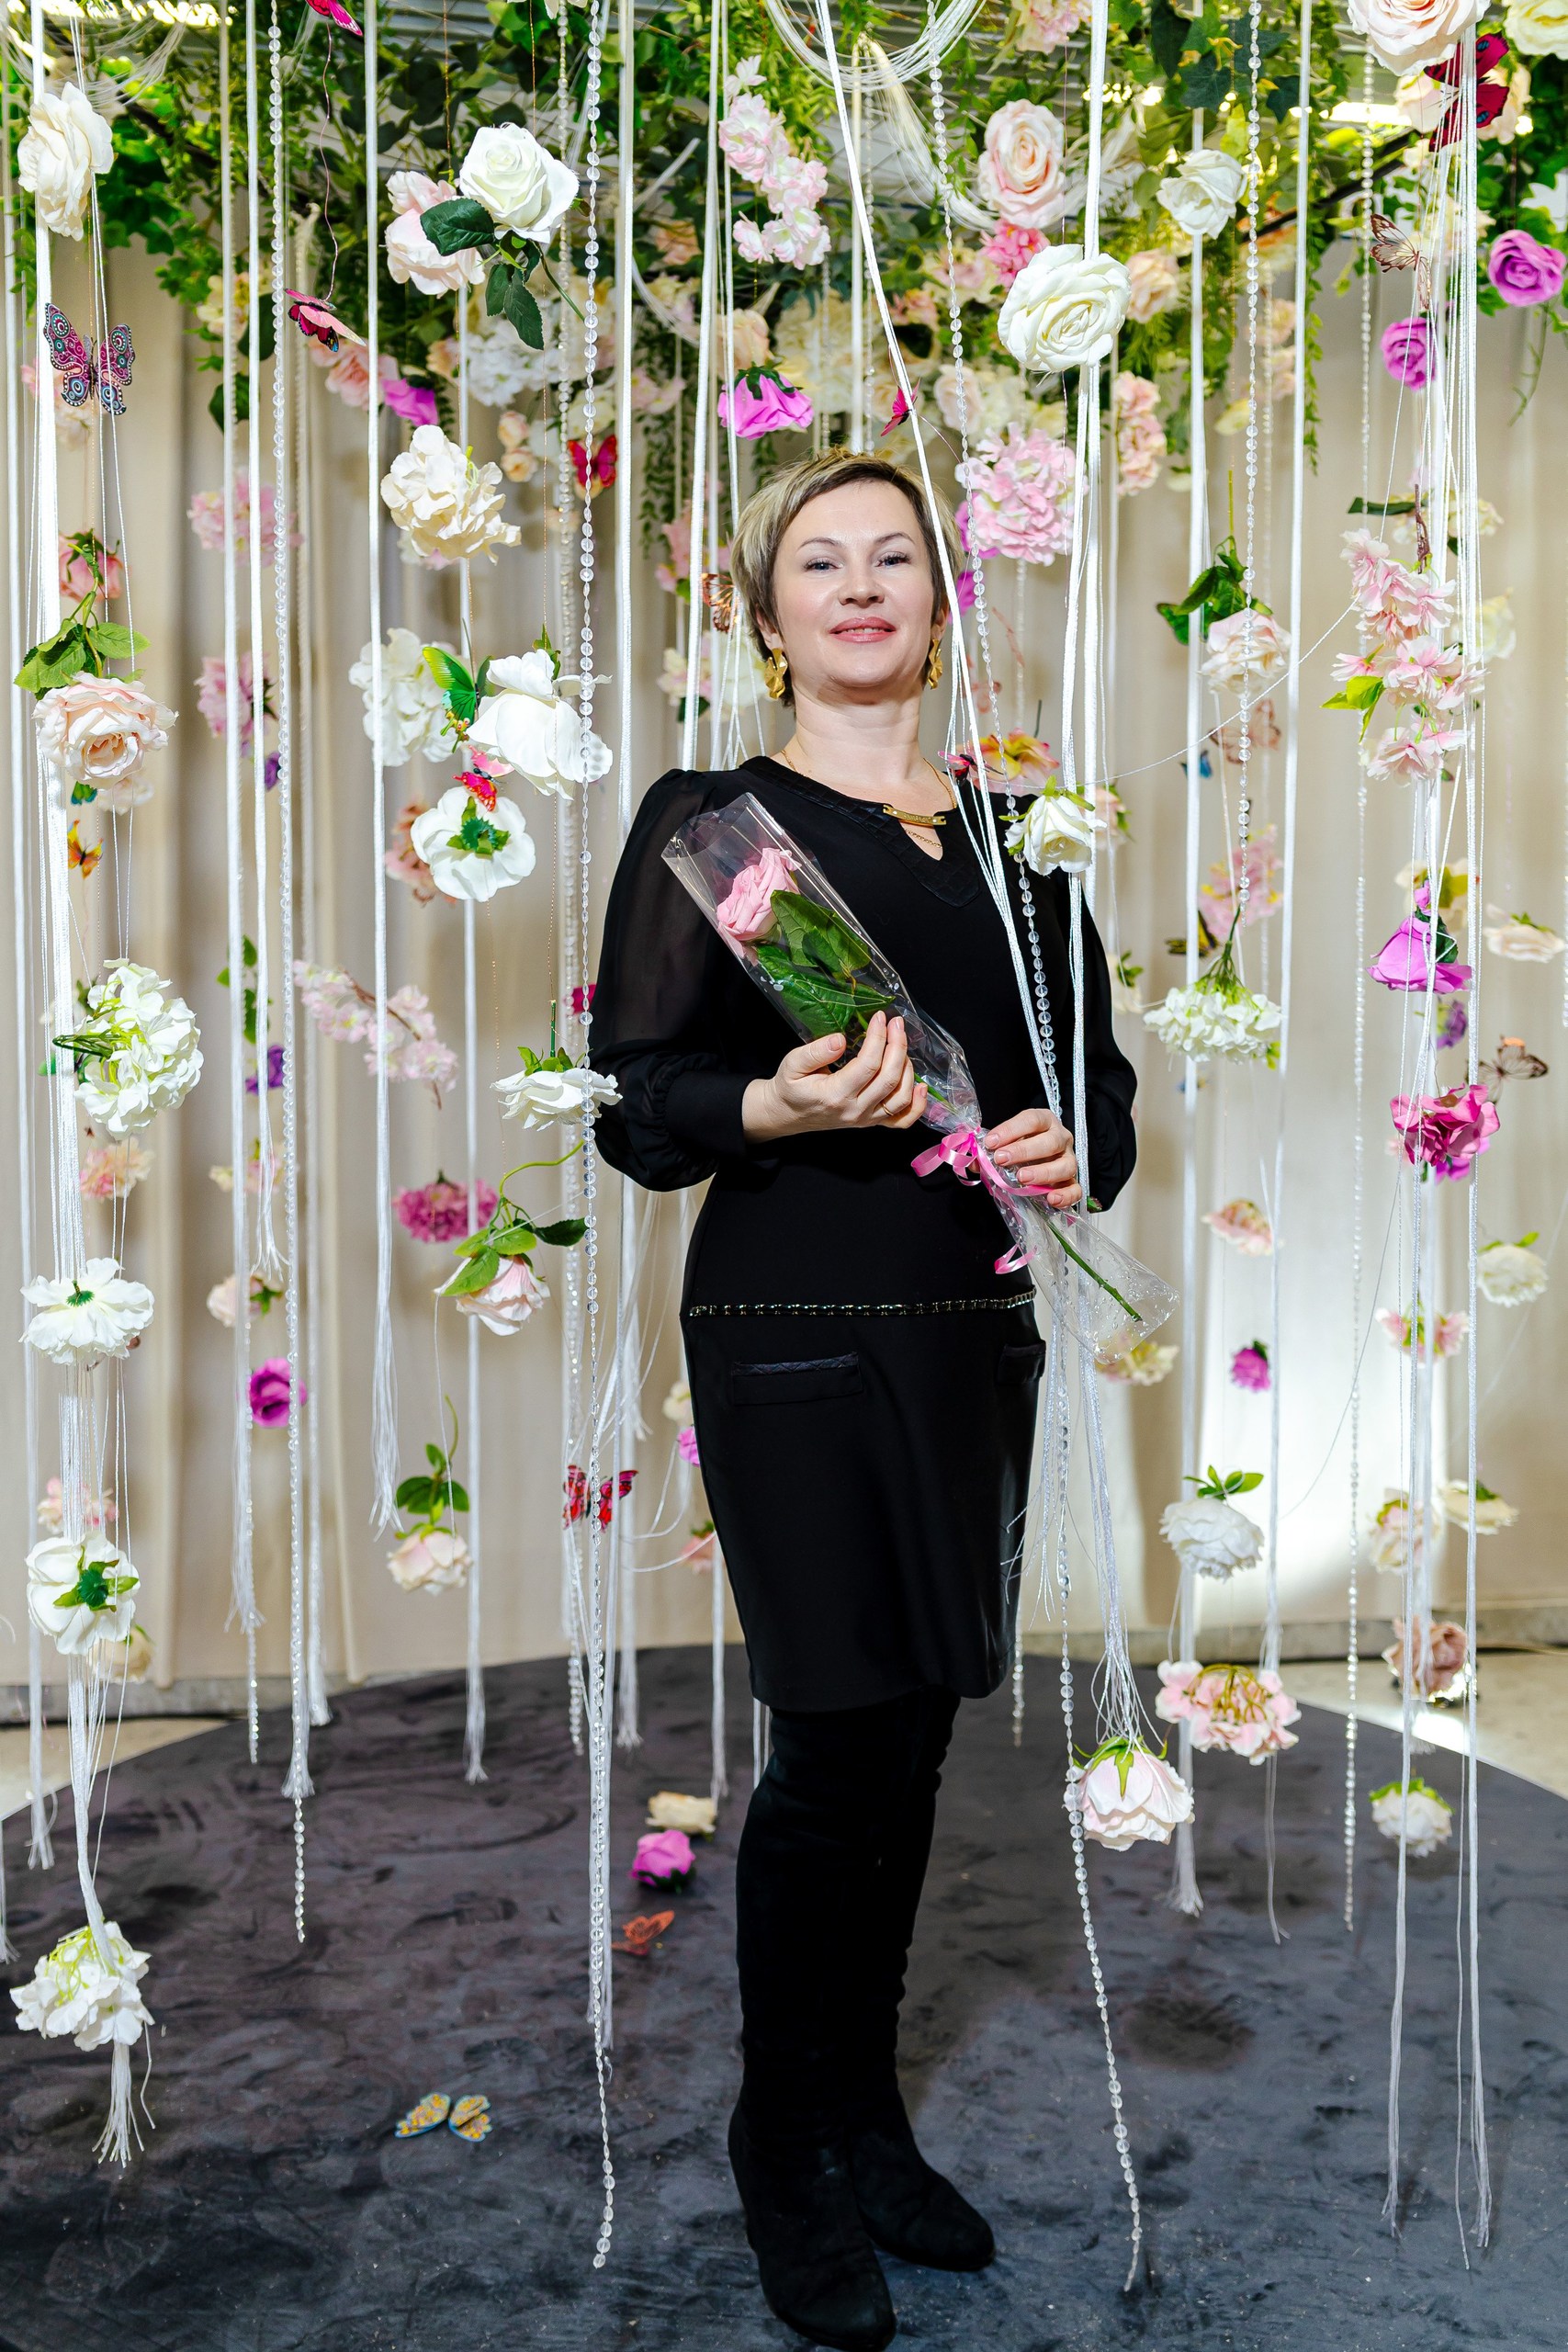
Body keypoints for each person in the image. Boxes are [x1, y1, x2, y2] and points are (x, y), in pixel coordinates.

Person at [592, 450, 1137, 2352]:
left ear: (938, 598)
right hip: (791, 1324)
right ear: (766, 616)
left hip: (971, 1324)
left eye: (893, 554)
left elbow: (1097, 1088)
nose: (858, 583)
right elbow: (636, 1095)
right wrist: (770, 1101)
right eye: (816, 560)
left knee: (912, 1739)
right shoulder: (715, 824)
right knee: (835, 1743)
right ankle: (783, 2143)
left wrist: (1075, 1147)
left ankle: (865, 2111)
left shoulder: (1021, 832)